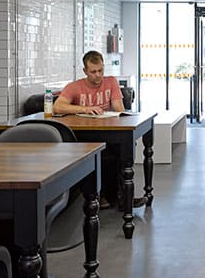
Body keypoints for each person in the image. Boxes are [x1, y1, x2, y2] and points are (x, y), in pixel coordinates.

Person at [54, 50, 146, 210]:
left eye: (101, 70)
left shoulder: (111, 82)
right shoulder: (75, 86)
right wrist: (85, 109)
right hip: (84, 135)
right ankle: (100, 196)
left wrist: (117, 109)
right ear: (85, 71)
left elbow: (119, 108)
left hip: (108, 131)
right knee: (98, 152)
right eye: (93, 72)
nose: (98, 75)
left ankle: (125, 197)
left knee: (125, 148)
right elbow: (57, 107)